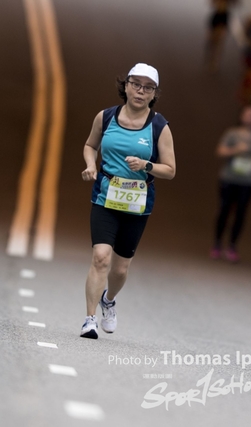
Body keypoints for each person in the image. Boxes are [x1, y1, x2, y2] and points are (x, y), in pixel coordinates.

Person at [79, 63, 176, 339]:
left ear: (154, 94)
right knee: (101, 257)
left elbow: (170, 170)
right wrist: (91, 165)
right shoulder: (106, 117)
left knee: (120, 269)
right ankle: (89, 320)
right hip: (105, 196)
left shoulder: (159, 126)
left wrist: (146, 165)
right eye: (136, 84)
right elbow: (90, 145)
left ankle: (108, 300)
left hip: (137, 202)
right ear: (126, 86)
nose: (141, 91)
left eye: (148, 87)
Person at [211, 105, 251, 262]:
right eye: (247, 114)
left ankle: (232, 246)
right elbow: (220, 151)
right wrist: (236, 149)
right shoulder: (232, 133)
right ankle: (217, 244)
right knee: (224, 210)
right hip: (229, 178)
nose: (249, 118)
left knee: (240, 213)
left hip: (248, 180)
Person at [206, 0, 237, 72]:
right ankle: (211, 59)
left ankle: (215, 63)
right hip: (216, 19)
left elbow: (235, 4)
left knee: (219, 45)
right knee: (212, 43)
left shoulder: (227, 5)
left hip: (223, 21)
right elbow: (212, 4)